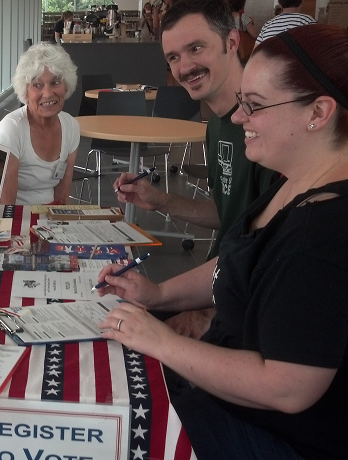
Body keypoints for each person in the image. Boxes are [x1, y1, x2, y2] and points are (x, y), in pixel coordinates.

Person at [97, 24, 348, 459]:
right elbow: (236, 262)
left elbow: (288, 388)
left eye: (253, 106)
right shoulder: (292, 183)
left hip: (273, 436)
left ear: (319, 112)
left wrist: (161, 342)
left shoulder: (324, 232)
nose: (237, 118)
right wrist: (157, 294)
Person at [114, 0, 276, 339]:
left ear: (232, 43)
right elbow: (229, 212)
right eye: (173, 57)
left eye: (196, 48)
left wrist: (208, 313)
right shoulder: (216, 125)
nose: (185, 66)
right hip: (218, 285)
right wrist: (160, 201)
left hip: (248, 309)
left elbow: (275, 249)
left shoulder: (271, 126)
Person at [0, 42, 79, 206]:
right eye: (37, 85)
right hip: (12, 218)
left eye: (55, 83)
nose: (47, 94)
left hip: (49, 219)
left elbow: (62, 198)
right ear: (25, 91)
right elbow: (4, 208)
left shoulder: (71, 126)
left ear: (66, 86)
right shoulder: (11, 130)